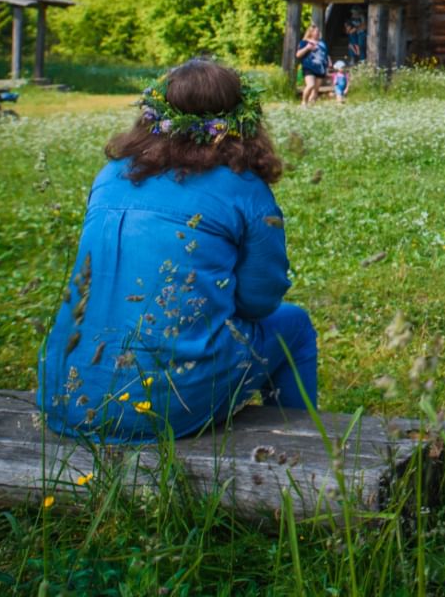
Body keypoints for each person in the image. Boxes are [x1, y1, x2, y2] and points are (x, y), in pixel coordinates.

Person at [36, 59, 317, 441]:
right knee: (294, 325)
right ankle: (296, 452)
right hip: (164, 406)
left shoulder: (111, 175)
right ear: (243, 119)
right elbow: (259, 302)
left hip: (66, 394)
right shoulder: (244, 187)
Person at [296, 24, 329, 105]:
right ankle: (303, 103)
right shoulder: (304, 42)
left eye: (318, 31)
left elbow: (325, 55)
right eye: (316, 31)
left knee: (315, 91)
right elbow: (298, 54)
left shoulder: (322, 43)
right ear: (311, 32)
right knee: (310, 85)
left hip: (320, 68)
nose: (318, 33)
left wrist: (328, 65)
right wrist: (307, 48)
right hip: (309, 67)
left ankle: (311, 107)